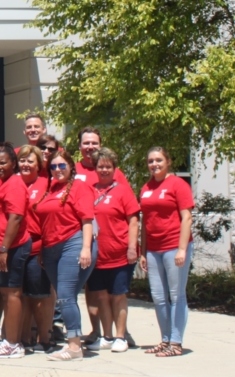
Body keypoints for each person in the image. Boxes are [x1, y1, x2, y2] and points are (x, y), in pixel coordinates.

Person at [34, 148, 97, 361]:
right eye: (53, 166)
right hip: (50, 249)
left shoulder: (79, 187)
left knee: (65, 296)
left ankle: (74, 346)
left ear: (71, 166)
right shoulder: (50, 189)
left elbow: (87, 220)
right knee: (63, 298)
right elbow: (46, 223)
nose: (58, 169)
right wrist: (43, 248)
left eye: (62, 165)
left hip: (73, 244)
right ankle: (73, 339)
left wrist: (86, 248)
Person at [139, 146, 194, 357]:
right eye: (151, 161)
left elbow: (187, 218)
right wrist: (143, 252)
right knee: (159, 297)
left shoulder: (178, 184)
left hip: (174, 246)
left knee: (177, 295)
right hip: (153, 249)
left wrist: (182, 249)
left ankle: (176, 343)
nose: (154, 164)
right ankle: (165, 339)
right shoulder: (146, 188)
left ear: (168, 161)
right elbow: (146, 222)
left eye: (159, 160)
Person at [84, 147, 140, 353]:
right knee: (101, 296)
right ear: (95, 168)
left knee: (118, 295)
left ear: (114, 169)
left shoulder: (123, 190)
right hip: (98, 254)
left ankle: (120, 336)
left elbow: (133, 220)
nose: (104, 170)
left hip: (119, 253)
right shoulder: (89, 190)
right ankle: (106, 336)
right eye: (101, 166)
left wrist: (132, 248)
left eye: (108, 166)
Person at [0, 144, 30, 359]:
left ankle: (13, 343)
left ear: (14, 163)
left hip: (11, 248)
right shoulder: (4, 184)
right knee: (8, 293)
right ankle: (9, 340)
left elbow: (16, 218)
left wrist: (3, 249)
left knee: (12, 293)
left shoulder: (15, 185)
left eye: (4, 162)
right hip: (2, 248)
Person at [17, 144, 52, 354]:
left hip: (39, 247)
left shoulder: (47, 184)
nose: (26, 164)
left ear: (39, 164)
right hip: (17, 248)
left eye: (30, 161)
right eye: (22, 160)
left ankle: (45, 337)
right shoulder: (13, 183)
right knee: (20, 296)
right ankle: (23, 336)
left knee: (40, 296)